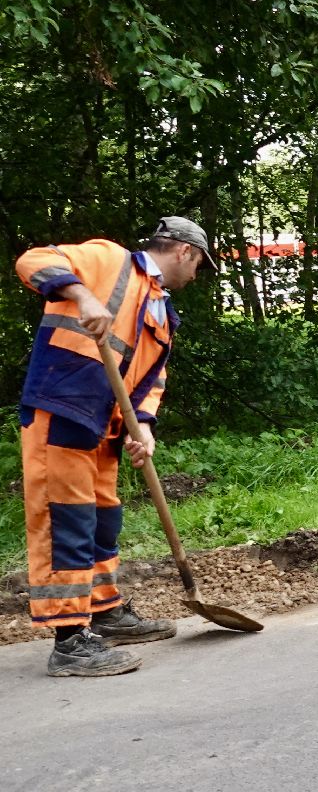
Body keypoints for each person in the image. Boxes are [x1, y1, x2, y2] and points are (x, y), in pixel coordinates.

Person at [15, 217, 216, 677]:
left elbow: (150, 381)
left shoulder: (161, 310)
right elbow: (33, 260)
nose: (197, 274)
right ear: (185, 251)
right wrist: (81, 294)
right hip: (63, 410)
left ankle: (104, 613)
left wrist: (142, 426)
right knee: (67, 520)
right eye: (200, 264)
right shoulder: (109, 260)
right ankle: (68, 640)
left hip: (103, 428)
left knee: (103, 520)